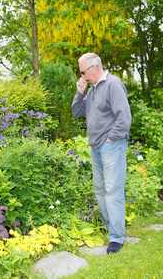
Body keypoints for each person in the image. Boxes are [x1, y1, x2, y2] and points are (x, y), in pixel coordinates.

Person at [72, 53, 132, 254]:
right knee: (100, 189)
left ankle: (116, 238)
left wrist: (111, 138)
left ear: (93, 67)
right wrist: (80, 92)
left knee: (113, 190)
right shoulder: (93, 90)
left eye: (82, 72)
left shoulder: (113, 84)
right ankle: (110, 227)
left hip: (111, 145)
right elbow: (77, 112)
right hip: (96, 146)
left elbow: (124, 117)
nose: (82, 76)